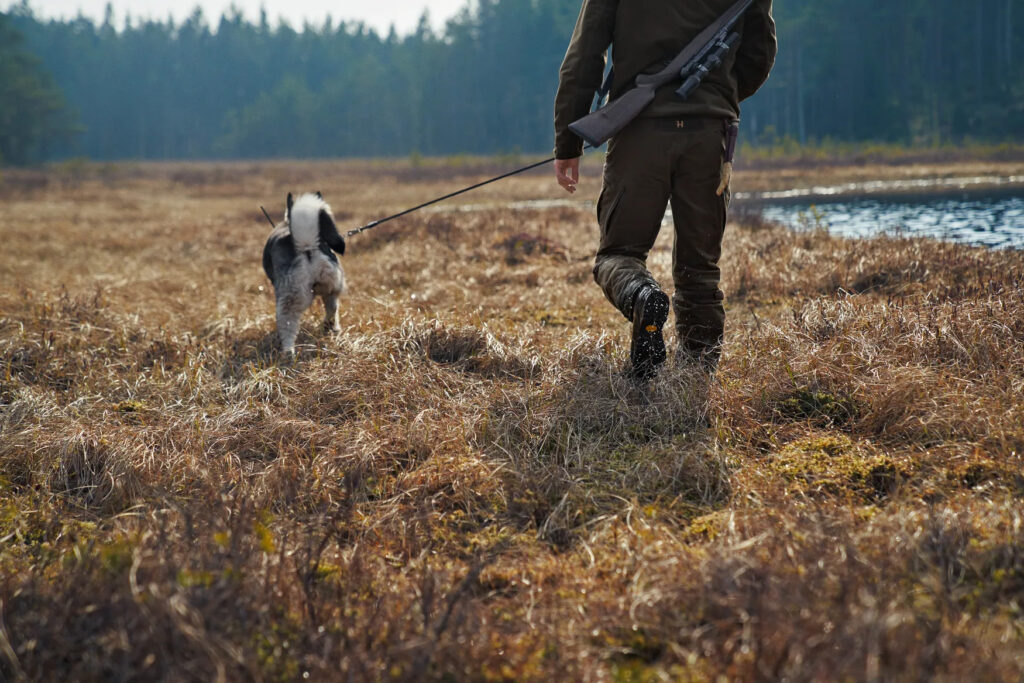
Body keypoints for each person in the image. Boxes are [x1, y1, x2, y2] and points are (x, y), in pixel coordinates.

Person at [554, 0, 776, 380]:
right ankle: (696, 382)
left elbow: (585, 55)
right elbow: (760, 51)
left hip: (640, 131)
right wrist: (717, 97)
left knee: (618, 255)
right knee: (700, 271)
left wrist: (568, 143)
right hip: (710, 135)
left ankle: (642, 296)